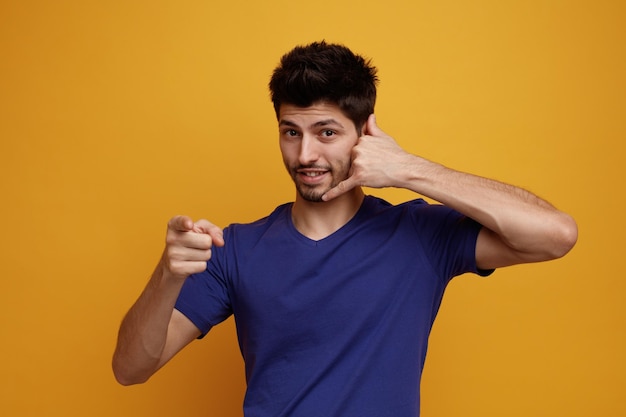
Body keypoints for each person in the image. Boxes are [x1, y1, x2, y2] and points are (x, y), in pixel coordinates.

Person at [112, 41, 577, 416]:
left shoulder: (419, 235)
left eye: (326, 132)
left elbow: (556, 234)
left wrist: (408, 169)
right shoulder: (234, 248)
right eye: (291, 131)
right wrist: (167, 274)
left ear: (364, 135)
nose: (306, 154)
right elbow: (130, 369)